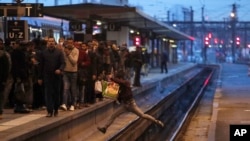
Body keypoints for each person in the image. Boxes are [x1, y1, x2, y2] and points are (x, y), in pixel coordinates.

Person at [97, 70, 164, 134]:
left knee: (142, 115)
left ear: (121, 78)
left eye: (118, 79)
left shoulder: (126, 83)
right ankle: (105, 128)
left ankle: (156, 121)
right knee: (114, 115)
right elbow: (116, 95)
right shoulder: (120, 87)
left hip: (131, 105)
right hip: (125, 105)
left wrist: (112, 78)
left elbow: (120, 82)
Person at [38, 37, 65, 117]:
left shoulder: (59, 53)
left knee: (56, 93)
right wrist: (40, 77)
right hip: (47, 76)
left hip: (56, 77)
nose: (51, 43)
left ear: (55, 42)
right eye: (49, 41)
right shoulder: (44, 53)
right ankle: (49, 110)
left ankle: (56, 109)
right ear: (47, 43)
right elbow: (41, 66)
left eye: (52, 41)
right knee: (48, 94)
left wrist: (60, 69)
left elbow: (63, 63)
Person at [0, 38, 11, 119]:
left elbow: (7, 68)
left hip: (1, 79)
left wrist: (4, 79)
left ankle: (0, 111)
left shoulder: (4, 55)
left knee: (1, 95)